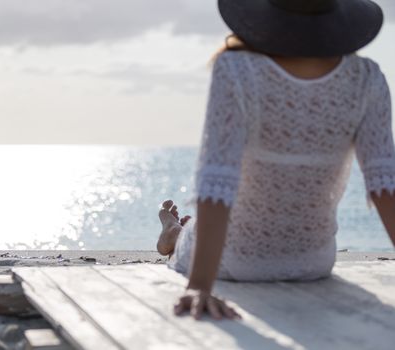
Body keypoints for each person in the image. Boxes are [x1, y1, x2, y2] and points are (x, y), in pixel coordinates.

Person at [156, 0, 394, 321]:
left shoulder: (237, 69)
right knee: (193, 230)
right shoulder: (368, 77)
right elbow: (385, 185)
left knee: (191, 234)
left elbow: (218, 181)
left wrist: (199, 285)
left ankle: (174, 231)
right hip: (314, 261)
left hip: (235, 260)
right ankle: (178, 230)